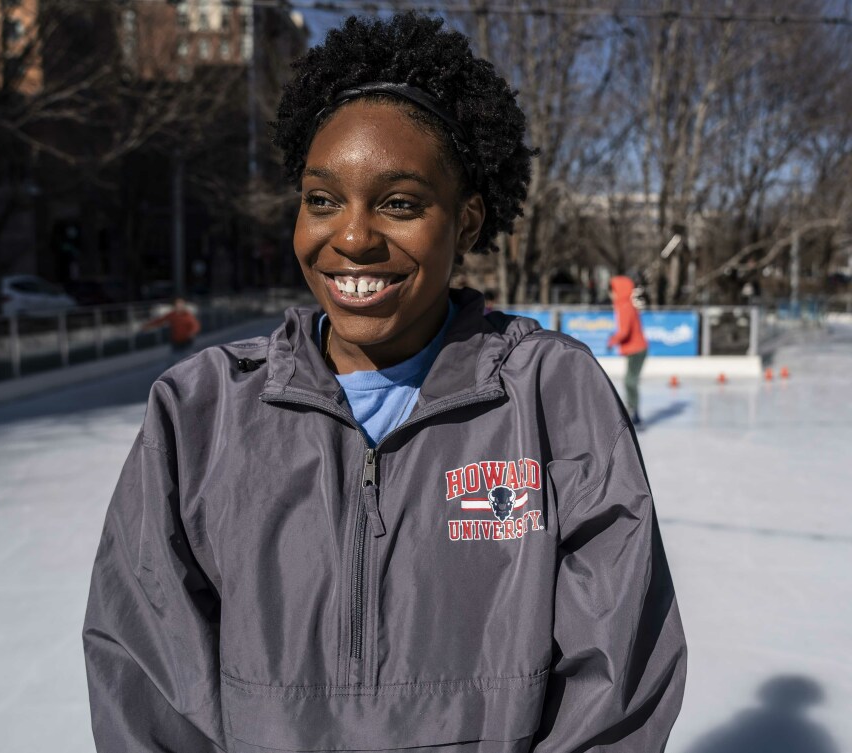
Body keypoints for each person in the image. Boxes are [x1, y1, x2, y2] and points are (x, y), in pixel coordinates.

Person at [83, 14, 686, 753]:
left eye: (399, 202)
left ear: (465, 223)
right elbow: (147, 690)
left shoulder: (552, 396)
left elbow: (616, 684)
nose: (353, 236)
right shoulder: (197, 413)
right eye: (322, 198)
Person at [607, 275, 648, 426]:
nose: (610, 295)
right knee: (629, 380)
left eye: (612, 291)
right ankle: (632, 410)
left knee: (630, 381)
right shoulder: (625, 305)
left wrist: (612, 341)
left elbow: (624, 331)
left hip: (637, 349)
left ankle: (634, 412)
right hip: (635, 349)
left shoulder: (624, 306)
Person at [142, 296, 201, 360]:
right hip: (176, 342)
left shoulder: (188, 315)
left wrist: (192, 332)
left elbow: (195, 325)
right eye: (177, 305)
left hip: (186, 341)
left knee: (188, 358)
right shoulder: (172, 315)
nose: (179, 306)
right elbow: (160, 320)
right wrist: (148, 325)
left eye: (180, 304)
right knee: (174, 360)